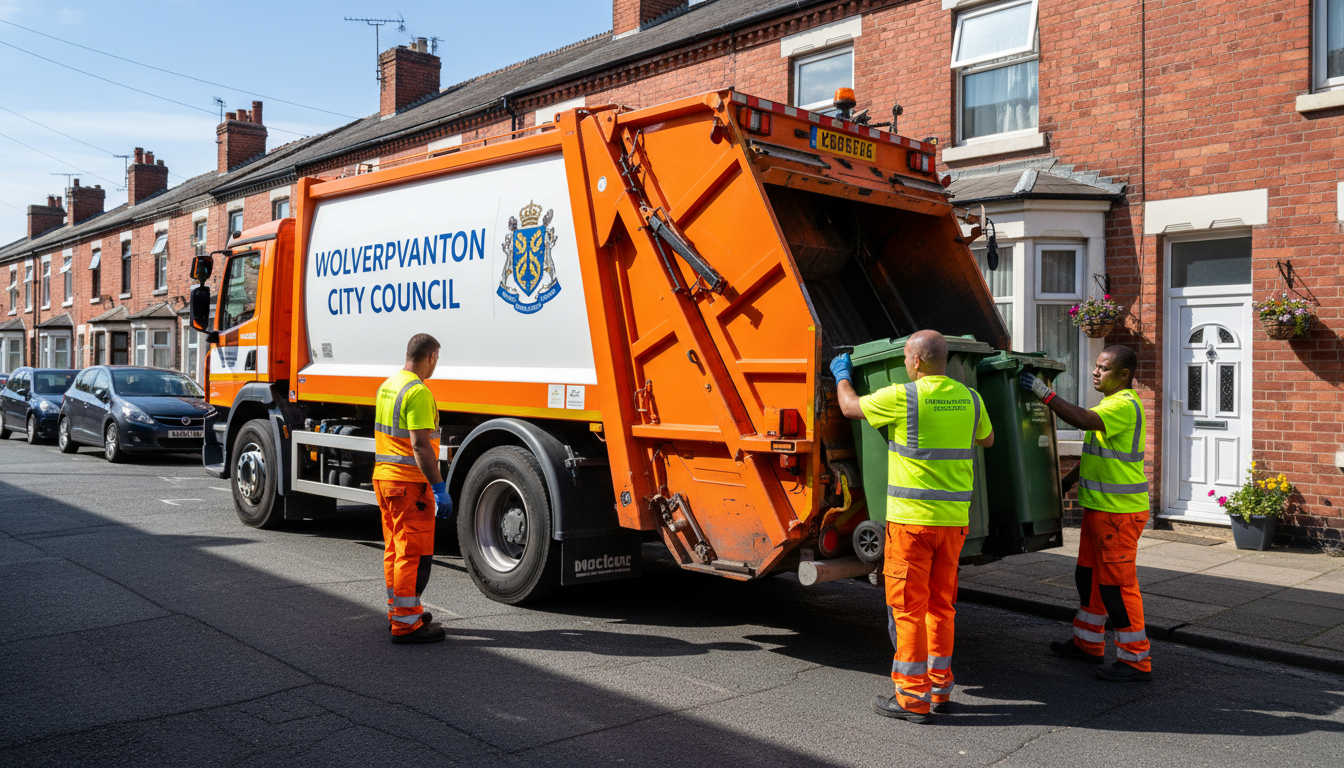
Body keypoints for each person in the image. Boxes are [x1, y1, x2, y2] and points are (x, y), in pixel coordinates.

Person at [832, 331, 994, 723]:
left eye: (906, 357)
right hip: (953, 524)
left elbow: (850, 408)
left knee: (907, 608)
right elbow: (986, 440)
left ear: (917, 362)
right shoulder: (971, 399)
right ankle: (939, 689)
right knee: (942, 607)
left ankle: (912, 699)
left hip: (911, 525)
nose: (905, 364)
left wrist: (842, 374)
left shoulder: (903, 396)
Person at [1021, 344, 1152, 682]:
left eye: (1104, 368)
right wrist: (1064, 483)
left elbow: (1083, 420)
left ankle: (1136, 661)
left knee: (1117, 588)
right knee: (1088, 578)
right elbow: (1094, 454)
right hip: (1100, 511)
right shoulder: (1111, 403)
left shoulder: (1123, 405)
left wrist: (1044, 394)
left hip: (1119, 514)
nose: (1095, 372)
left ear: (1124, 375)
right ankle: (1088, 644)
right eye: (1096, 365)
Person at [374, 333, 454, 644]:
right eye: (437, 359)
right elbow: (420, 446)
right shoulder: (418, 392)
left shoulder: (388, 386)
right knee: (412, 553)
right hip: (409, 485)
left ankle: (400, 612)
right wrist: (439, 487)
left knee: (395, 549)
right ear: (431, 357)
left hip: (386, 480)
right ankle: (407, 625)